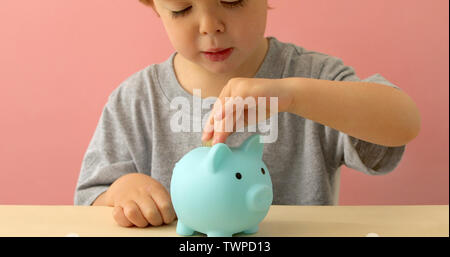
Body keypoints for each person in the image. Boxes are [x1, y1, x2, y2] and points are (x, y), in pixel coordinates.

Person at [74, 0, 421, 228]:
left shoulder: (310, 79)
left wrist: (294, 96)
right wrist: (122, 191)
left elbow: (404, 122)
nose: (209, 25)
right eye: (181, 8)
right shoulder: (136, 99)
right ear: (154, 6)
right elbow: (89, 201)